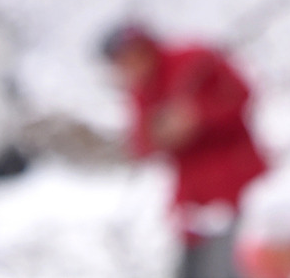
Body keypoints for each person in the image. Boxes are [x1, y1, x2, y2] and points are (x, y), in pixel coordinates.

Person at [101, 22, 268, 278]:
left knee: (235, 267)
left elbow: (243, 94)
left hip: (239, 186)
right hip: (192, 201)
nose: (131, 64)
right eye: (122, 61)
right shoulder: (141, 90)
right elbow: (140, 145)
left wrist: (198, 117)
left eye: (133, 54)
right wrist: (160, 134)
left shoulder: (194, 61)